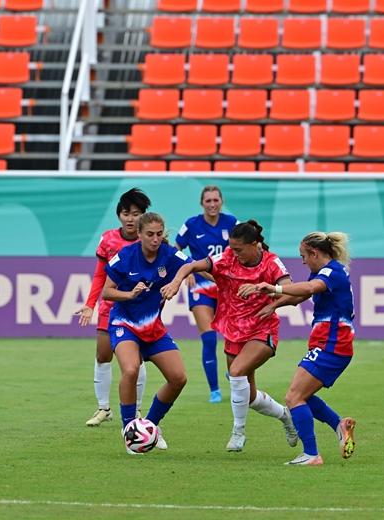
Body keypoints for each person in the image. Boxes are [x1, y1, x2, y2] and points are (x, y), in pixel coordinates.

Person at [162, 220, 298, 453]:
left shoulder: (271, 262)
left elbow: (292, 291)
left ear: (254, 245)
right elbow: (192, 266)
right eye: (231, 249)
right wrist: (176, 281)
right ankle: (286, 417)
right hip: (234, 332)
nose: (233, 254)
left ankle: (238, 432)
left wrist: (267, 295)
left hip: (262, 330)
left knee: (235, 374)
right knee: (250, 396)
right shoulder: (227, 258)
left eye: (238, 249)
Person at [245, 232, 356, 466]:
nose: (303, 261)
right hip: (329, 344)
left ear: (314, 253)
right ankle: (339, 424)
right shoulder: (326, 271)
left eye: (304, 256)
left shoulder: (331, 274)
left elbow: (308, 288)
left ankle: (312, 454)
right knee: (302, 396)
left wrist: (274, 289)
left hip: (332, 345)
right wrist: (274, 304)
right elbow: (300, 295)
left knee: (293, 397)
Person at [102, 212, 192, 454]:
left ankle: (150, 426)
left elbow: (191, 264)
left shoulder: (169, 254)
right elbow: (107, 293)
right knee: (130, 370)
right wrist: (129, 294)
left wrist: (178, 280)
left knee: (179, 378)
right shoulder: (126, 256)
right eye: (150, 234)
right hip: (124, 324)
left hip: (153, 328)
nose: (155, 239)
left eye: (159, 234)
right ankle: (130, 431)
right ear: (139, 234)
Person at [75, 188, 152, 427]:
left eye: (136, 213)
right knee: (102, 355)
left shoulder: (148, 239)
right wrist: (90, 305)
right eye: (126, 213)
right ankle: (103, 409)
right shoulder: (108, 239)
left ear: (143, 216)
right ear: (119, 215)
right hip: (110, 307)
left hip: (138, 311)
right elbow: (100, 275)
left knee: (135, 361)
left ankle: (137, 410)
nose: (131, 218)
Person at [174, 186, 238, 404]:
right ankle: (215, 391)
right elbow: (175, 249)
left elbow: (247, 246)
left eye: (215, 200)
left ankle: (235, 370)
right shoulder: (191, 225)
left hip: (226, 287)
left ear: (221, 202)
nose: (212, 204)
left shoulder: (232, 223)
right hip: (201, 286)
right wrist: (188, 268)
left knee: (235, 335)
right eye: (208, 200)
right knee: (209, 338)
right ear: (202, 203)